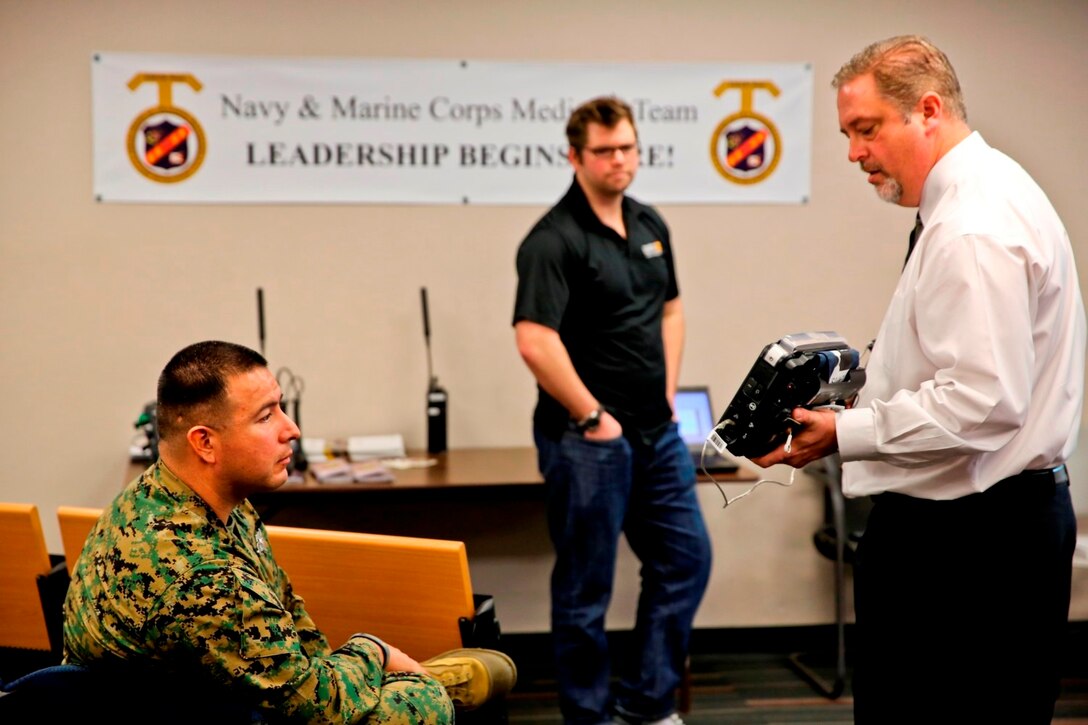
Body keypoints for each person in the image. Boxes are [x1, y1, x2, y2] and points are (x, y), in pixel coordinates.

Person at [750, 36, 1085, 723]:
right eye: (847, 134)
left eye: (866, 129)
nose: (854, 152)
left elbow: (983, 402)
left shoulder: (971, 227)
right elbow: (963, 371)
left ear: (928, 110)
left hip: (971, 540)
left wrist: (844, 431)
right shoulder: (985, 193)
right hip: (990, 525)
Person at [63, 340, 516, 724]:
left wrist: (337, 669)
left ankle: (413, 680)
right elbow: (315, 708)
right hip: (190, 712)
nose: (292, 430)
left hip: (214, 690)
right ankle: (433, 684)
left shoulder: (175, 496)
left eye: (281, 407)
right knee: (423, 706)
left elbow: (291, 620)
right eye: (266, 417)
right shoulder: (199, 572)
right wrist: (373, 653)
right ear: (205, 442)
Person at [513, 96, 712, 725]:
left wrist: (668, 392)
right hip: (587, 442)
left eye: (627, 147)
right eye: (603, 151)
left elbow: (671, 310)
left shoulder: (650, 223)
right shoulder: (553, 240)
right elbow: (534, 339)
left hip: (657, 434)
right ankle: (589, 718)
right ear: (575, 157)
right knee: (585, 590)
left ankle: (648, 706)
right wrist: (594, 418)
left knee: (685, 561)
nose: (618, 159)